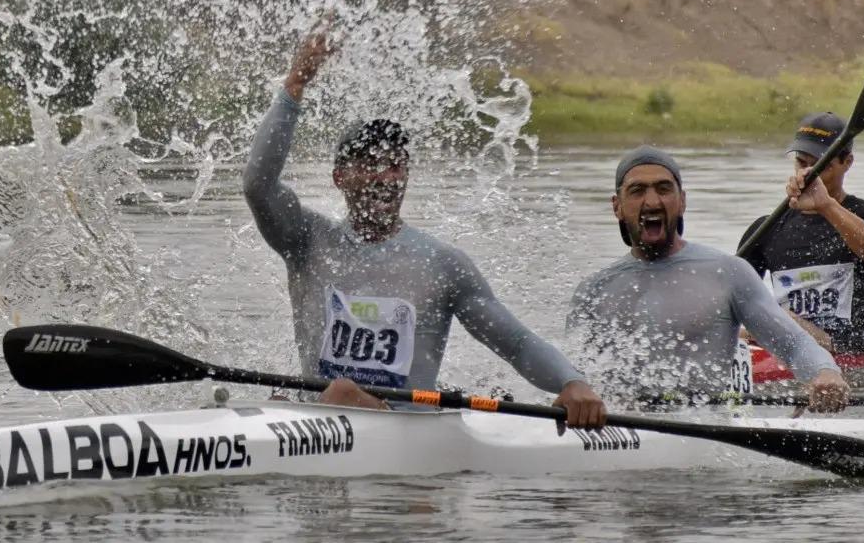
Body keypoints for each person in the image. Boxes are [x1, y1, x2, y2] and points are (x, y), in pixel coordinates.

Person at [244, 26, 606, 428]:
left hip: (410, 434)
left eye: (394, 165)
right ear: (339, 177)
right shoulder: (306, 240)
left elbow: (517, 345)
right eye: (369, 164)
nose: (384, 178)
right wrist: (294, 87)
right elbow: (258, 186)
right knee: (296, 397)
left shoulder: (442, 265)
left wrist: (572, 382)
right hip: (318, 428)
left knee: (343, 391)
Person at [566, 146, 849, 412]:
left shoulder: (728, 273)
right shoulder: (593, 290)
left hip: (704, 430)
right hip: (624, 429)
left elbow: (794, 344)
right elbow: (572, 379)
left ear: (682, 201)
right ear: (617, 206)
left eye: (663, 189)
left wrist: (824, 372)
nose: (651, 201)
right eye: (637, 191)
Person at [738, 112, 864, 353]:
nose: (808, 174)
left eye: (820, 166)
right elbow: (731, 299)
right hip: (788, 346)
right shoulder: (766, 228)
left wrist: (826, 205)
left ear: (847, 162)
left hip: (846, 354)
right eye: (802, 163)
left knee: (778, 316)